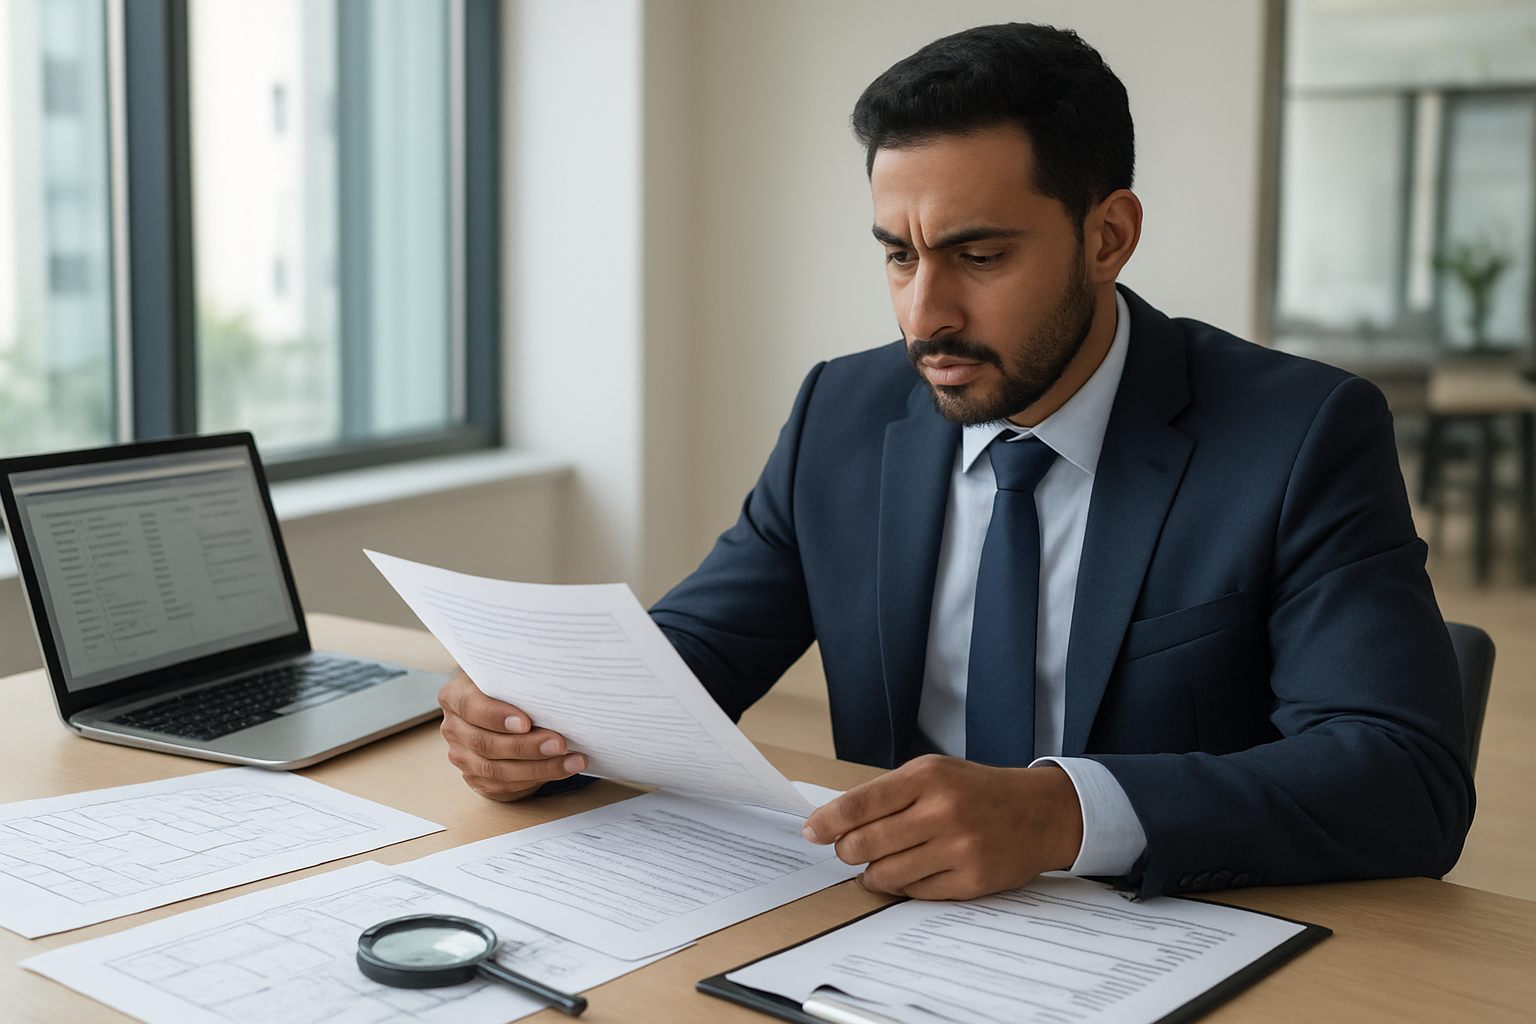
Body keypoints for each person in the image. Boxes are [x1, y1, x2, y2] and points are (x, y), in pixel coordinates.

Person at [436, 23, 1474, 900]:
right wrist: (540, 725)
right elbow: (690, 657)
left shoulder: (1302, 433)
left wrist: (1063, 812)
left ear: (1108, 235)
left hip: (1175, 933)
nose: (923, 314)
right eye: (898, 253)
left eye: (979, 256)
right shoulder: (841, 412)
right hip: (895, 938)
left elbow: (1405, 777)